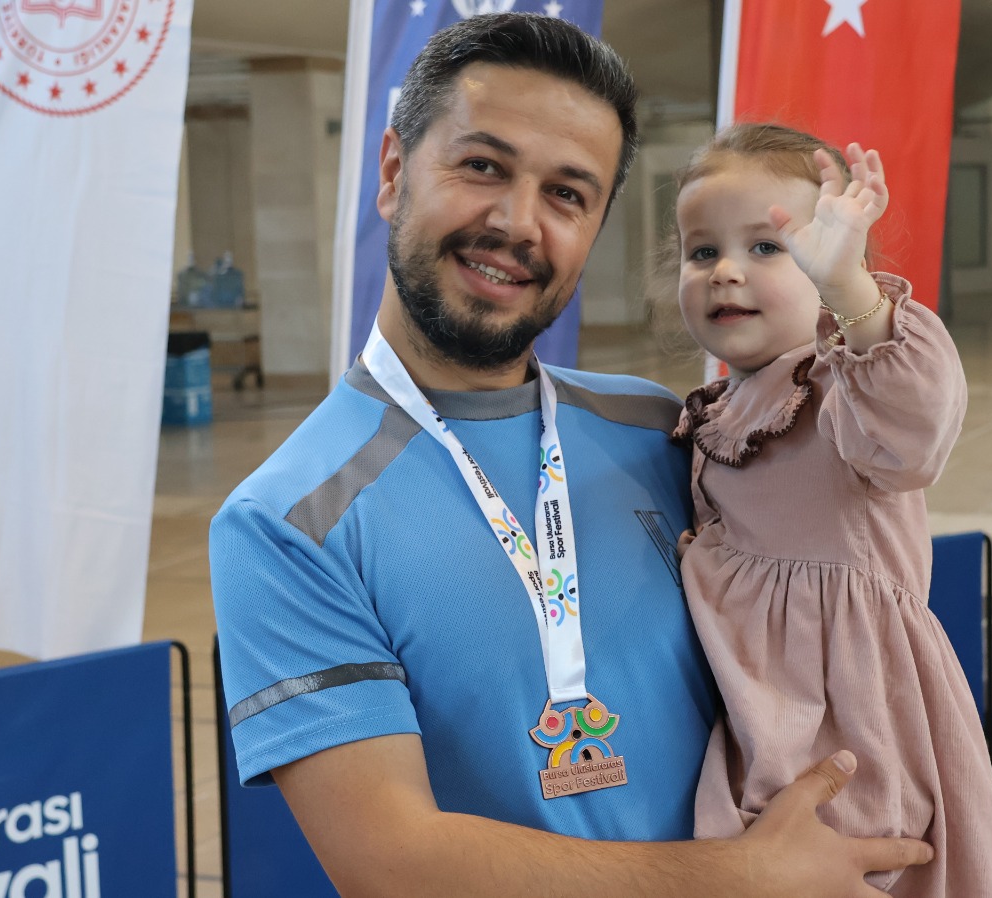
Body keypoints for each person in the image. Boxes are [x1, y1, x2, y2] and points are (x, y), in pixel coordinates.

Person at [212, 14, 932, 897]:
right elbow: (390, 862)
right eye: (483, 166)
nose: (517, 222)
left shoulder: (664, 431)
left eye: (566, 194)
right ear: (394, 172)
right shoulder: (290, 521)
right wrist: (739, 876)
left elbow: (883, 488)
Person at [669, 123, 992, 894]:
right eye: (702, 251)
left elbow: (913, 434)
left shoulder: (842, 389)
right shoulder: (718, 409)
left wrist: (849, 291)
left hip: (849, 721)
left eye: (768, 247)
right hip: (755, 711)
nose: (726, 271)